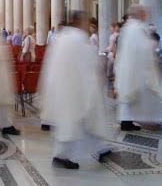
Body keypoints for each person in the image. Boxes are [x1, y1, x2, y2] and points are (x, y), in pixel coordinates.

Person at [40, 11, 111, 170]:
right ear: (79, 22)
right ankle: (61, 156)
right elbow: (89, 61)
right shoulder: (78, 38)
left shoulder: (62, 37)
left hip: (65, 87)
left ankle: (101, 148)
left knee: (81, 121)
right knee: (74, 124)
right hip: (75, 87)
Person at [115, 5, 162, 131]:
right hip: (135, 67)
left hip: (128, 67)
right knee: (138, 94)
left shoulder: (127, 27)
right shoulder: (137, 28)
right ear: (139, 14)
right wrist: (152, 45)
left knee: (128, 96)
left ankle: (127, 122)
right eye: (144, 14)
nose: (146, 16)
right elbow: (141, 48)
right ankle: (160, 119)